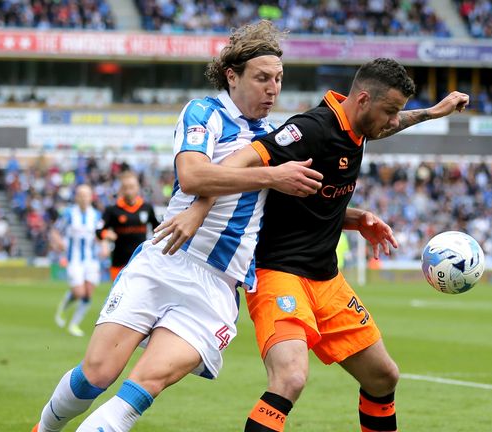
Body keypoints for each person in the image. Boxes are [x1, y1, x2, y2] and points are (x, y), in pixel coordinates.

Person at [31, 20, 323, 432]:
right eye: (261, 78)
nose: (272, 89)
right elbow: (193, 176)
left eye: (278, 79)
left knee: (141, 387)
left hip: (217, 287)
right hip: (167, 260)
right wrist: (271, 177)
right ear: (232, 75)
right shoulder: (206, 113)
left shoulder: (276, 139)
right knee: (97, 373)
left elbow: (286, 199)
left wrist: (354, 218)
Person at [154, 58, 469, 431]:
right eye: (390, 111)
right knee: (290, 379)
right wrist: (200, 207)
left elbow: (380, 129)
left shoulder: (357, 126)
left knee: (383, 376)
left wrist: (433, 113)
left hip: (326, 280)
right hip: (279, 274)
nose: (393, 121)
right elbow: (241, 161)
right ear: (364, 99)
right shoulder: (309, 129)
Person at [49, 184, 105, 337]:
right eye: (80, 195)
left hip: (92, 260)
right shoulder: (68, 213)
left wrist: (104, 246)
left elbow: (102, 234)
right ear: (76, 197)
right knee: (79, 292)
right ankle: (63, 306)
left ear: (91, 197)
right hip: (74, 260)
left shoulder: (96, 215)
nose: (83, 198)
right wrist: (58, 241)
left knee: (87, 294)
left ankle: (74, 324)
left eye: (86, 195)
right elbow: (55, 231)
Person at [96, 171, 160, 281]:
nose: (129, 191)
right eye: (125, 187)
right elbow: (98, 230)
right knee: (118, 297)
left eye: (132, 187)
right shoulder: (112, 210)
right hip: (118, 262)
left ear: (138, 187)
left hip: (140, 261)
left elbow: (157, 229)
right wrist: (106, 234)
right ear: (121, 189)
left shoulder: (147, 208)